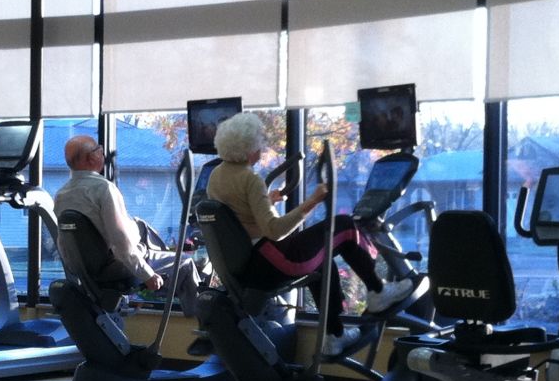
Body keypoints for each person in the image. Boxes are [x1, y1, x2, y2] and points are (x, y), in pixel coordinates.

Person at [207, 112, 414, 356]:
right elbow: (275, 230)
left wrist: (266, 202)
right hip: (274, 261)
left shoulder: (216, 176)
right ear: (248, 148)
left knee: (323, 262)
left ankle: (334, 335)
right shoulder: (250, 179)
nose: (261, 149)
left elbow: (239, 218)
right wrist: (312, 202)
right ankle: (377, 291)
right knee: (345, 225)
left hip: (253, 264)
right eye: (259, 144)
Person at [54, 134, 204, 326]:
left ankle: (161, 253)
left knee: (140, 225)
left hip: (86, 269)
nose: (102, 153)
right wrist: (147, 274)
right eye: (99, 149)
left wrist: (78, 272)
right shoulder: (103, 189)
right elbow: (121, 244)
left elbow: (64, 244)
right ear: (91, 158)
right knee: (185, 263)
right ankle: (203, 326)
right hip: (113, 266)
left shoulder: (61, 195)